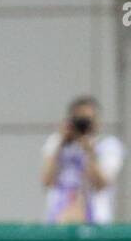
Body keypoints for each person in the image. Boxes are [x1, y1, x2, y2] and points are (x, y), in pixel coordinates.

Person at [40, 96, 124, 224]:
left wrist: (89, 151)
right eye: (79, 120)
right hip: (59, 219)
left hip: (96, 221)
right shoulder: (56, 143)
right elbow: (47, 181)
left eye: (88, 120)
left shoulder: (108, 146)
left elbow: (101, 184)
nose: (83, 126)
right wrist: (61, 143)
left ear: (97, 122)